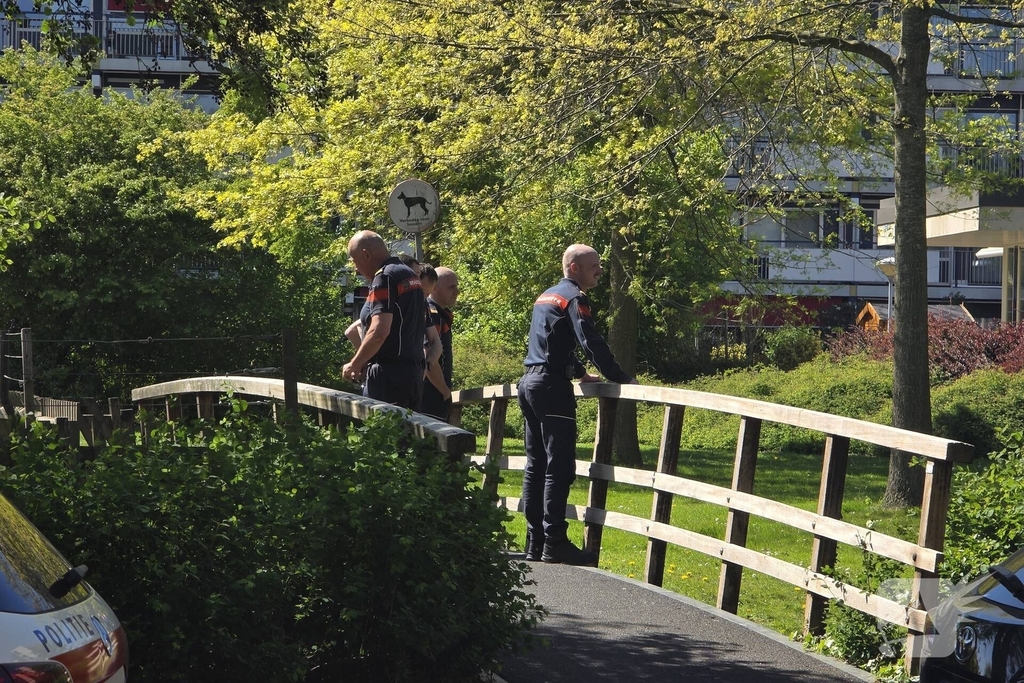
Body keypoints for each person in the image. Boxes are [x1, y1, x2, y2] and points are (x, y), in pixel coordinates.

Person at [519, 244, 637, 566]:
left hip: (529, 382)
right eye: (593, 265)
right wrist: (621, 377)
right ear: (574, 268)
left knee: (536, 466)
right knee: (559, 466)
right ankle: (554, 543)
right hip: (551, 387)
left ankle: (535, 542)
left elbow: (552, 343)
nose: (599, 270)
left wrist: (582, 374)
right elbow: (590, 340)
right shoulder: (574, 297)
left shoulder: (546, 296)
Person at [342, 231, 427, 409]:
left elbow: (379, 330)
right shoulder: (410, 276)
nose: (356, 268)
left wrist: (355, 364)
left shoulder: (384, 277)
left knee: (383, 434)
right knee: (410, 436)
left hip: (387, 377)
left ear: (366, 254)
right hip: (414, 374)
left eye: (355, 261)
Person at [421, 267, 459, 421]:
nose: (457, 292)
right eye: (452, 287)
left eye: (457, 286)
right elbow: (428, 355)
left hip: (431, 393)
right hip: (431, 395)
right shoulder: (432, 314)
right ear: (435, 287)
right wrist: (444, 391)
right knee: (431, 443)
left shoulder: (436, 313)